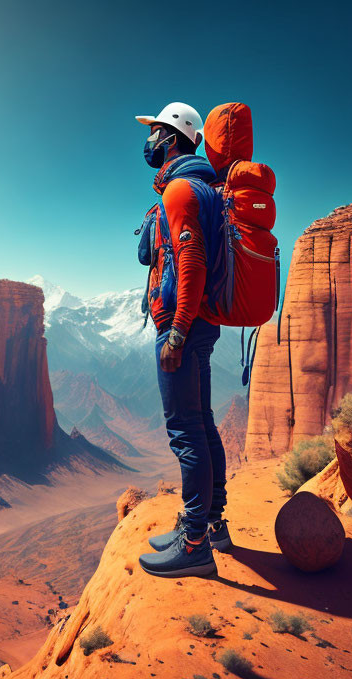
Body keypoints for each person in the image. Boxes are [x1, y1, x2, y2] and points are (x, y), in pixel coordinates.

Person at [133, 102, 232, 579]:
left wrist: (175, 331)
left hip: (183, 328)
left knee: (185, 432)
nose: (149, 142)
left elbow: (190, 260)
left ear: (173, 138)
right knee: (203, 423)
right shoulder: (205, 186)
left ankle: (194, 545)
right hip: (201, 324)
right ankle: (211, 523)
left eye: (155, 133)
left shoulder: (180, 190)